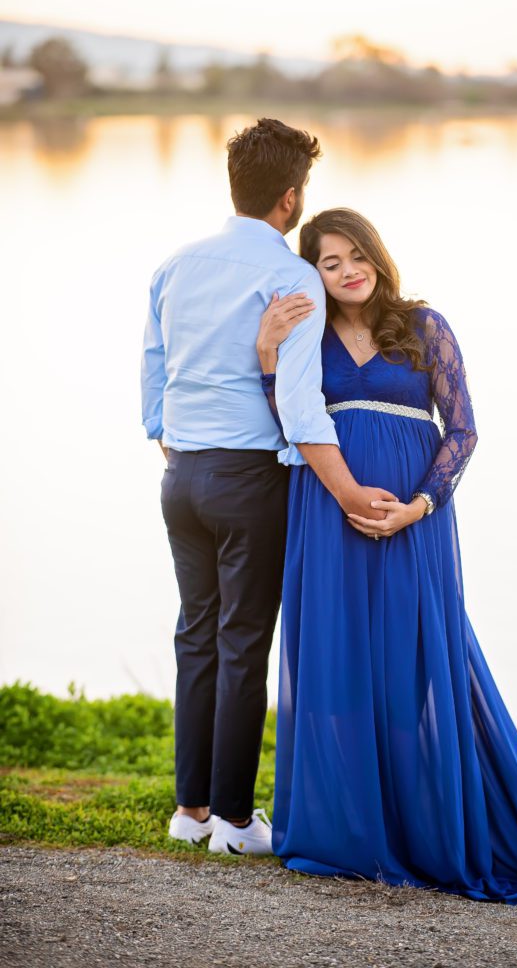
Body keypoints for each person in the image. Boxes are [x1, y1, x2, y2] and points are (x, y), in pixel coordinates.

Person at [256, 206, 517, 909]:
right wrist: (267, 354)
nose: (345, 270)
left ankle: (422, 827)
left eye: (353, 254)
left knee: (411, 656)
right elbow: (291, 421)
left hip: (413, 519)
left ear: (376, 255)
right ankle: (345, 831)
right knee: (333, 655)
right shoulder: (305, 332)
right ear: (313, 273)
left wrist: (419, 504)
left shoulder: (424, 326)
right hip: (326, 511)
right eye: (328, 262)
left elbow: (461, 430)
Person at [140, 121, 395, 857]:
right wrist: (349, 491)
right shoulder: (291, 278)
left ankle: (188, 811)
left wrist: (169, 436)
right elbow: (301, 401)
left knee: (198, 635)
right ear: (291, 200)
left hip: (181, 474)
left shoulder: (175, 266)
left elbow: (153, 369)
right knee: (243, 640)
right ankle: (234, 820)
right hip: (249, 477)